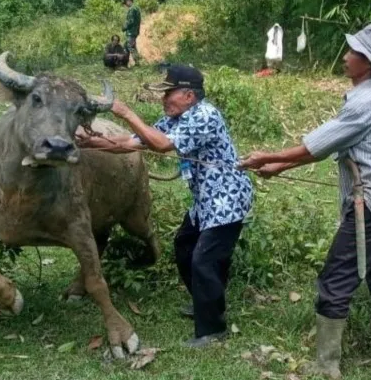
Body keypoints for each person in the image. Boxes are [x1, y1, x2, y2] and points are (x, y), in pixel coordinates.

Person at [241, 24, 371, 380]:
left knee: (335, 280)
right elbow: (326, 148)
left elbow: (314, 147)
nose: (344, 57)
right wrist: (278, 166)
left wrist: (266, 157)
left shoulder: (366, 104)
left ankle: (326, 366)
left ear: (366, 63)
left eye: (351, 52)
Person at [75, 65, 253, 348]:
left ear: (189, 95)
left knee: (204, 260)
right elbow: (131, 143)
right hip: (206, 200)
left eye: (168, 93)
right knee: (184, 246)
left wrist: (127, 113)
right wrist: (92, 142)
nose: (163, 99)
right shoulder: (177, 117)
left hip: (227, 199)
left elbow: (159, 145)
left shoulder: (205, 116)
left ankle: (212, 330)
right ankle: (204, 301)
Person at [122, 0, 141, 66]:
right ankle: (124, 63)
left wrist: (125, 27)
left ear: (129, 1)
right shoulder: (136, 8)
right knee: (126, 47)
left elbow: (131, 21)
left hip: (131, 31)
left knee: (130, 46)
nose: (126, 5)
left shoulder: (132, 9)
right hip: (134, 31)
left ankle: (138, 63)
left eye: (126, 2)